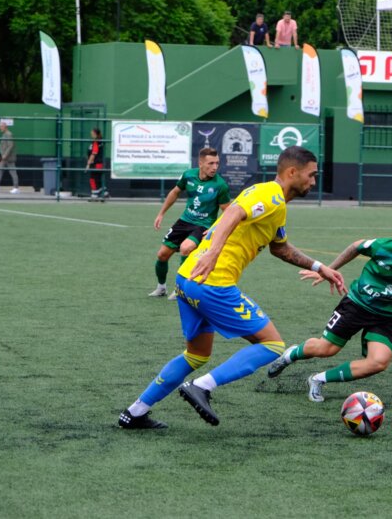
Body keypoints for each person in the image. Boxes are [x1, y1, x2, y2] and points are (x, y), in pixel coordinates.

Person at [118, 146, 345, 429]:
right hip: (213, 283)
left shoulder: (275, 203)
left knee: (196, 354)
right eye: (311, 175)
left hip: (188, 279)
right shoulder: (269, 195)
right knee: (273, 345)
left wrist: (319, 267)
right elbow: (233, 213)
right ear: (292, 172)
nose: (313, 181)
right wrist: (213, 252)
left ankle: (135, 412)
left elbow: (280, 248)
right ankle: (201, 386)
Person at [267, 218, 392, 402]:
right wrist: (329, 270)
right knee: (326, 349)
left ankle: (318, 379)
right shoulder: (384, 247)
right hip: (357, 304)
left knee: (379, 362)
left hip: (387, 317)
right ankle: (291, 354)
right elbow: (356, 246)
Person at [148, 147, 231, 299]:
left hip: (204, 225)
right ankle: (161, 288)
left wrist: (215, 228)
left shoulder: (220, 185)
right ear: (200, 163)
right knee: (162, 255)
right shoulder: (188, 175)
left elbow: (229, 212)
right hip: (185, 221)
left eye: (217, 163)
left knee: (186, 248)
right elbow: (175, 192)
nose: (215, 167)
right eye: (211, 163)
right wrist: (161, 213)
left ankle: (181, 289)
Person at [85, 128, 107, 200]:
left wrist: (88, 164)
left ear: (95, 134)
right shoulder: (100, 141)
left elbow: (94, 154)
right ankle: (104, 192)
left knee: (93, 179)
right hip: (99, 163)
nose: (91, 134)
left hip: (96, 163)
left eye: (92, 133)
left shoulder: (96, 142)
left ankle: (94, 194)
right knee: (97, 179)